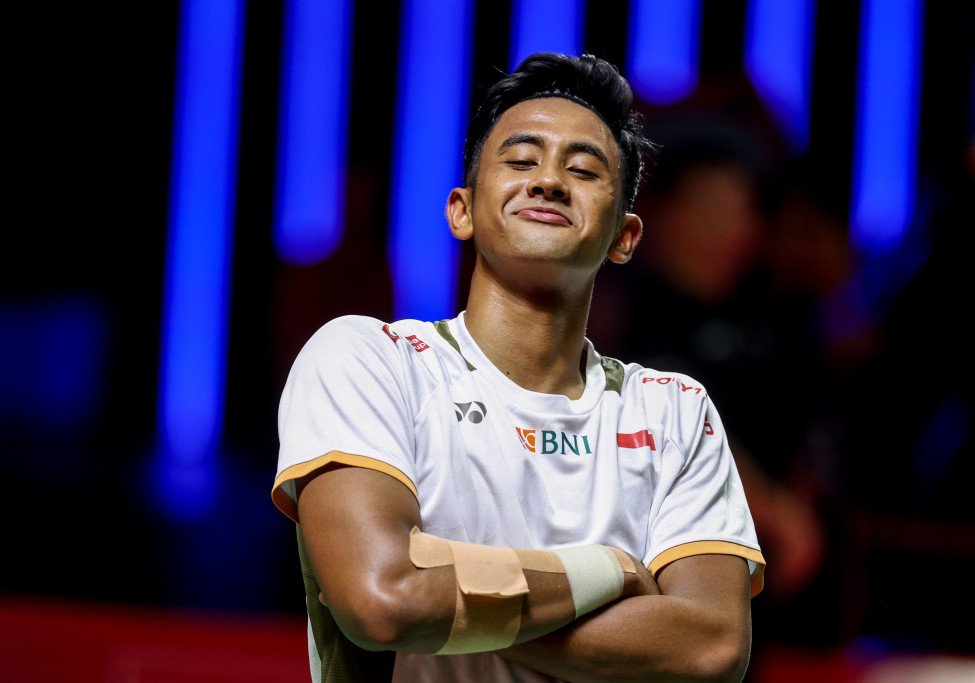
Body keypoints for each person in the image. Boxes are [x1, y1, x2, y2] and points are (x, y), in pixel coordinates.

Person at [272, 52, 765, 682]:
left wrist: (447, 594)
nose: (549, 181)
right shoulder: (371, 360)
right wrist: (609, 572)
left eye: (583, 170)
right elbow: (385, 600)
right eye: (521, 161)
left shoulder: (675, 409)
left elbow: (711, 647)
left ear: (624, 237)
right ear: (462, 210)